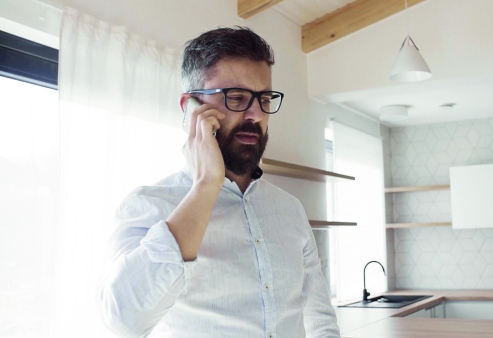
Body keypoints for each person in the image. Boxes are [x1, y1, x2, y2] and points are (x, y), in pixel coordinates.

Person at [96, 26, 340, 338]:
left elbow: (319, 317)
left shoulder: (290, 210)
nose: (255, 114)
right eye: (236, 97)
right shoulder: (150, 205)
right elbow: (122, 321)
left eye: (264, 98)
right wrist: (207, 186)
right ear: (192, 107)